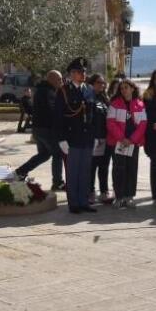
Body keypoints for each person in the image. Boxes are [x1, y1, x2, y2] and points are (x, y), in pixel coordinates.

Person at [56, 58, 98, 214]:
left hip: (86, 138)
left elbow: (92, 115)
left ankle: (84, 201)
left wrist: (94, 137)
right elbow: (58, 117)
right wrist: (61, 139)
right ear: (72, 74)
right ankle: (74, 203)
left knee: (85, 171)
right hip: (71, 138)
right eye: (80, 72)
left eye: (84, 71)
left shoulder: (89, 90)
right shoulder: (64, 91)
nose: (83, 74)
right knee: (73, 173)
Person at [15, 71, 64, 190]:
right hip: (46, 129)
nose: (61, 82)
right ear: (52, 79)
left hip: (38, 130)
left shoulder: (41, 90)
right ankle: (57, 182)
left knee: (44, 154)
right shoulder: (48, 92)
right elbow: (52, 111)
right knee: (57, 154)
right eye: (59, 80)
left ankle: (21, 171)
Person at [107, 79, 146, 208]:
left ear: (132, 89)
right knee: (119, 169)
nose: (124, 90)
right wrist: (122, 138)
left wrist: (132, 139)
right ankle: (119, 197)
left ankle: (129, 197)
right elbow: (110, 123)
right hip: (119, 143)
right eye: (122, 88)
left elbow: (142, 125)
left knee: (131, 169)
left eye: (126, 87)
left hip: (133, 143)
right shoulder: (114, 104)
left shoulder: (140, 105)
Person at [90, 74, 112, 205]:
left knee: (104, 167)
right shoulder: (87, 98)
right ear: (92, 83)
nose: (102, 85)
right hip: (93, 139)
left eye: (103, 83)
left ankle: (104, 192)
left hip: (106, 139)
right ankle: (90, 192)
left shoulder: (105, 99)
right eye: (99, 82)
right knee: (91, 167)